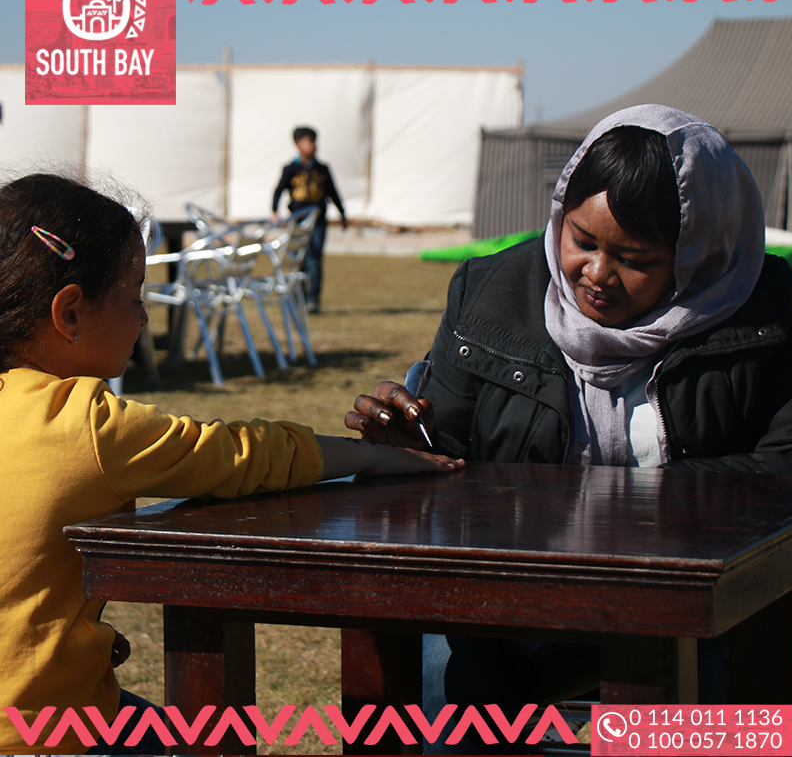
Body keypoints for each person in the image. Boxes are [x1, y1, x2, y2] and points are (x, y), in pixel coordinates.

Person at [345, 104, 792, 751]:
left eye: (635, 257)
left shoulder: (757, 313)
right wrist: (409, 447)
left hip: (693, 600)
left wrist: (604, 509)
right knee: (449, 703)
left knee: (714, 709)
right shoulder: (490, 294)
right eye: (582, 240)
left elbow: (791, 466)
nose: (596, 274)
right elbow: (449, 459)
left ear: (698, 254)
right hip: (511, 598)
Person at [0, 173, 463, 755]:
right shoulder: (84, 424)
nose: (144, 319)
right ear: (70, 312)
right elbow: (242, 455)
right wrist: (373, 457)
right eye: (135, 297)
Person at [272, 126, 347, 314]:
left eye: (314, 141)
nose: (313, 145)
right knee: (297, 258)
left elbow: (333, 192)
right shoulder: (291, 169)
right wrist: (274, 211)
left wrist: (342, 213)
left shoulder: (322, 169)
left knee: (314, 258)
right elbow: (279, 190)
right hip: (297, 220)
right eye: (308, 142)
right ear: (298, 144)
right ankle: (297, 296)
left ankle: (313, 298)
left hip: (318, 221)